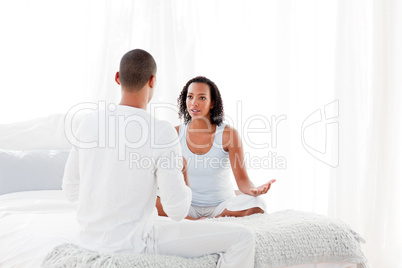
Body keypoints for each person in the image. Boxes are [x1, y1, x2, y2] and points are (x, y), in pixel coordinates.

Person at [62, 49, 255, 267]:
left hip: (88, 240)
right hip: (137, 241)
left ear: (117, 78)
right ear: (153, 80)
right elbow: (177, 211)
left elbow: (70, 192)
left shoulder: (87, 123)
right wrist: (183, 173)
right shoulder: (161, 132)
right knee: (243, 237)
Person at [156, 76, 276, 220]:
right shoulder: (174, 133)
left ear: (212, 103)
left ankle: (212, 220)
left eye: (202, 98)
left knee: (257, 204)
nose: (194, 103)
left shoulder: (229, 134)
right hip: (187, 207)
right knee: (151, 199)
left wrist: (253, 190)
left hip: (222, 205)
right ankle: (195, 221)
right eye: (190, 97)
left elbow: (242, 180)